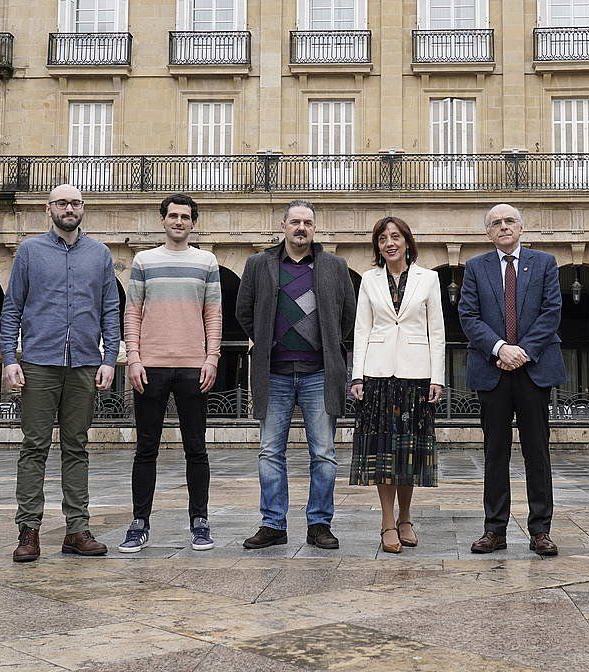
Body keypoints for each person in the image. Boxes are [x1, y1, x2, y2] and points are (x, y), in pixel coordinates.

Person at [0, 185, 120, 562]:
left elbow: (110, 310)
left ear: (83, 208)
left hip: (85, 362)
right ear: (48, 208)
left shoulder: (99, 254)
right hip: (38, 361)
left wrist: (110, 358)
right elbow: (12, 307)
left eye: (76, 203)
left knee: (77, 447)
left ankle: (77, 529)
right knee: (34, 446)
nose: (70, 208)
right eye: (63, 203)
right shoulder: (30, 252)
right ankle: (29, 530)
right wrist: (8, 358)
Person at [236, 200, 355, 550]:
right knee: (270, 451)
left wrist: (330, 344)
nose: (301, 228)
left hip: (319, 373)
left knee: (324, 453)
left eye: (307, 222)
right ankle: (273, 524)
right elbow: (244, 310)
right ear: (283, 225)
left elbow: (348, 314)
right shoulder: (259, 264)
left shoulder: (335, 265)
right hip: (274, 373)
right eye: (295, 222)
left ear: (315, 228)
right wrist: (267, 338)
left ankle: (319, 523)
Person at [458, 204, 565, 557]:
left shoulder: (545, 263)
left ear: (521, 227)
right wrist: (501, 348)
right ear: (489, 233)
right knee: (495, 452)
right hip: (492, 371)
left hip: (533, 370)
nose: (503, 227)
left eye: (509, 221)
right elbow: (468, 315)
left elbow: (552, 312)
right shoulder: (475, 267)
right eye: (495, 223)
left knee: (538, 451)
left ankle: (540, 530)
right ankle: (495, 529)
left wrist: (523, 351)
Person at [119, 194, 223, 553]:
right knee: (146, 448)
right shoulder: (144, 260)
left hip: (194, 366)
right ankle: (139, 522)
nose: (179, 222)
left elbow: (213, 313)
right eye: (173, 216)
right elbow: (132, 312)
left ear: (193, 223)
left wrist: (212, 358)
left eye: (185, 217)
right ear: (162, 220)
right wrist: (133, 358)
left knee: (197, 448)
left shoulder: (206, 261)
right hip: (150, 365)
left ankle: (200, 521)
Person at [350, 216, 445, 553]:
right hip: (377, 375)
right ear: (377, 246)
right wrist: (357, 375)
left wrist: (438, 377)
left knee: (409, 452)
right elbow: (362, 328)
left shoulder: (429, 279)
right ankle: (387, 522)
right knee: (382, 452)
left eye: (395, 237)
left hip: (416, 375)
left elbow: (437, 331)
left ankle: (406, 517)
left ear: (407, 241)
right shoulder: (368, 280)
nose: (389, 243)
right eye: (382, 238)